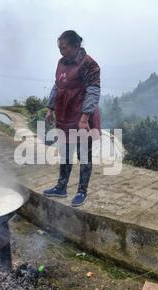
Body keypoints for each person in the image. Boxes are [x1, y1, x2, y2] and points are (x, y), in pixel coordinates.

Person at [43, 30, 101, 207]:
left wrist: (84, 119)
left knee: (84, 154)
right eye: (60, 48)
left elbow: (93, 91)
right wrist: (49, 108)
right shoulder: (61, 62)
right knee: (66, 152)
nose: (61, 52)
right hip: (65, 115)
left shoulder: (88, 64)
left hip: (83, 116)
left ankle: (82, 191)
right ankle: (61, 187)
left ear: (76, 46)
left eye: (64, 48)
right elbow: (57, 85)